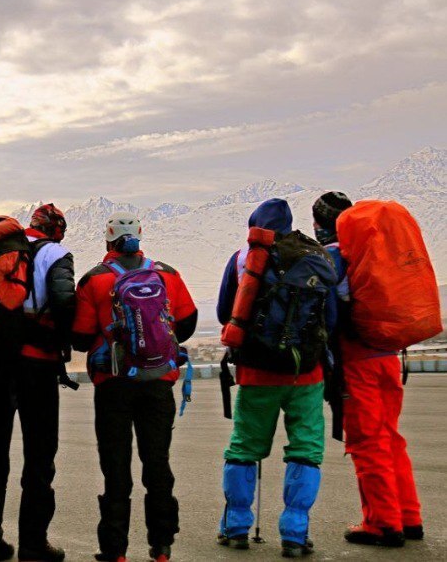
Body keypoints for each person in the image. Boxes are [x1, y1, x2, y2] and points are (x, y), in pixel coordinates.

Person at [72, 211, 197, 562]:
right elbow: (186, 325)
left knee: (116, 467)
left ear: (107, 239)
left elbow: (80, 338)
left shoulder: (94, 280)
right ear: (140, 236)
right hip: (159, 382)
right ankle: (161, 546)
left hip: (113, 384)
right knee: (157, 463)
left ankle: (115, 549)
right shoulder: (167, 274)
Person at [216, 199, 337, 558]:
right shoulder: (316, 256)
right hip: (307, 373)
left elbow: (226, 312)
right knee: (305, 448)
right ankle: (295, 532)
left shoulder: (242, 259)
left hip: (257, 372)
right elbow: (329, 319)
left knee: (244, 448)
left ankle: (236, 525)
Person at [312, 192, 425, 547]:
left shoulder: (334, 258)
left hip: (357, 361)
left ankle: (381, 523)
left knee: (367, 442)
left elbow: (329, 317)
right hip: (388, 355)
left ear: (321, 225)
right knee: (391, 438)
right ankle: (409, 517)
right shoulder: (372, 253)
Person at [0, 205, 75, 562]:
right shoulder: (56, 253)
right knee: (39, 456)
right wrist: (65, 339)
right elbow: (63, 301)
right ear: (57, 230)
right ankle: (33, 542)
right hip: (38, 365)